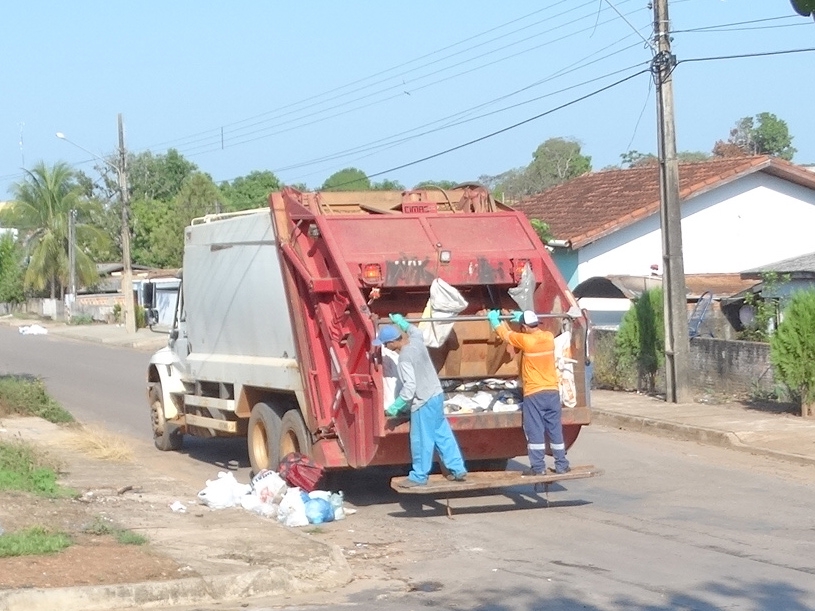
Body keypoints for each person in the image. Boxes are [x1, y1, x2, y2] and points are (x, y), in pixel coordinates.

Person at [373, 314, 467, 488]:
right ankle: (458, 468)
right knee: (442, 434)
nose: (386, 347)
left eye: (386, 344)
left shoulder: (404, 359)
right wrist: (401, 322)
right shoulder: (416, 342)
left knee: (421, 440)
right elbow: (415, 330)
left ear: (393, 342)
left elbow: (410, 387)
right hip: (436, 395)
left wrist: (396, 407)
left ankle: (419, 476)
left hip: (423, 402)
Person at [487, 309, 570, 475]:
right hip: (552, 392)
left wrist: (495, 321)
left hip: (534, 394)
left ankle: (538, 468)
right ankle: (562, 464)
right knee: (555, 430)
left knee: (535, 431)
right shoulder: (548, 337)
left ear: (524, 327)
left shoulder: (526, 341)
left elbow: (506, 335)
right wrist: (521, 317)